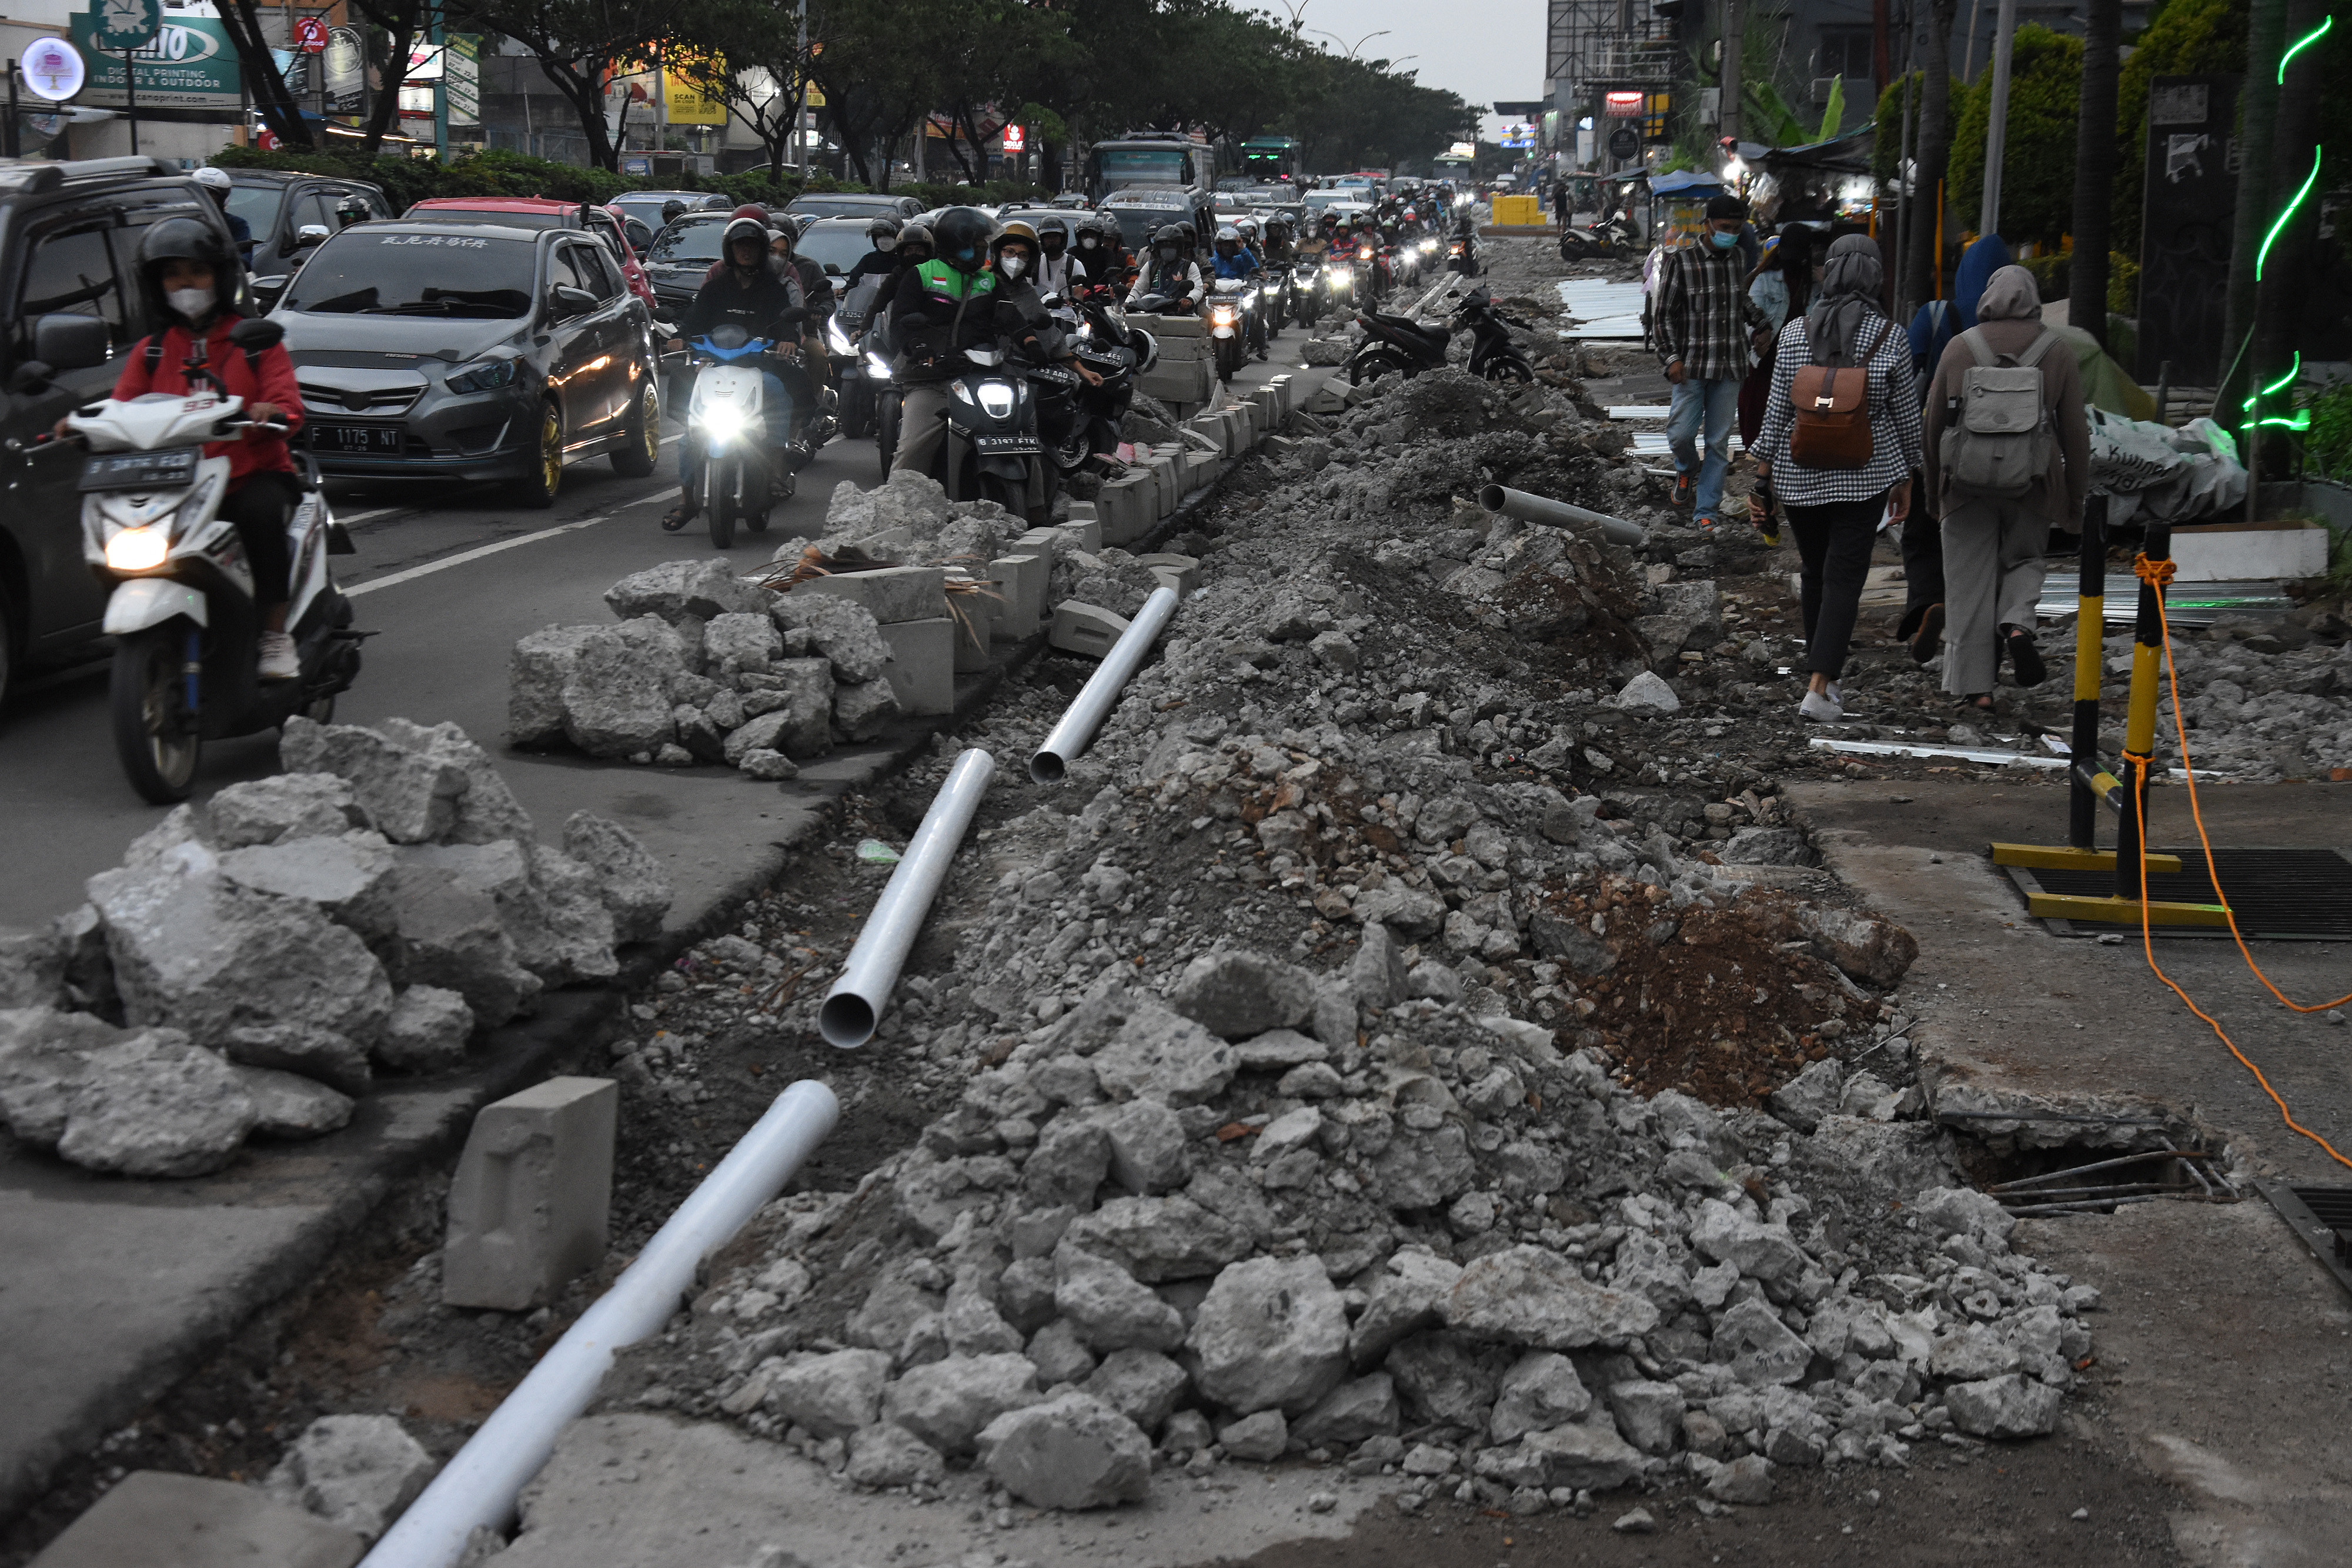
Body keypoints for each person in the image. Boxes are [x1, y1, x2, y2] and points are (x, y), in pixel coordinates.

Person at [85, 219, 303, 677]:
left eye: (197, 272)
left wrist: (270, 411)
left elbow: (288, 404)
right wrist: (77, 423)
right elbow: (120, 408)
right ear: (157, 285)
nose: (185, 283)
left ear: (220, 277)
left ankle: (275, 635)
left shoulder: (255, 342)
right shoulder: (152, 350)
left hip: (250, 475)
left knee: (260, 516)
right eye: (173, 274)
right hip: (174, 480)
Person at [1751, 233, 1924, 723]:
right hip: (1864, 473)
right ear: (1874, 275)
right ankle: (1819, 687)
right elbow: (1906, 415)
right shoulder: (1891, 336)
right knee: (1844, 576)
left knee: (1814, 572)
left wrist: (1761, 479)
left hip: (1798, 470)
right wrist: (1907, 474)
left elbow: (1778, 411)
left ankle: (1825, 681)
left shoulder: (1794, 333)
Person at [1920, 264, 2089, 710]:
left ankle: (1977, 691)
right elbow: (2076, 432)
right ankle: (2017, 625)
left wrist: (1935, 491)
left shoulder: (1960, 348)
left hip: (1965, 483)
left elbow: (1932, 424)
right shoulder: (2058, 349)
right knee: (2026, 558)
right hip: (2033, 481)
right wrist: (2074, 501)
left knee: (1967, 585)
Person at [1900, 233, 2014, 662]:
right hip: (2005, 456)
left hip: (1941, 446)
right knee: (1987, 545)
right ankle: (1987, 643)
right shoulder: (2030, 334)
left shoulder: (1936, 315)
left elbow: (1907, 376)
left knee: (1922, 534)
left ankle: (1928, 600)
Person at [663, 216, 804, 532]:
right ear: (730, 249)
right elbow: (694, 319)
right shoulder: (715, 288)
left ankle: (775, 472)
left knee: (776, 388)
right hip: (716, 366)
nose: (745, 251)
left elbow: (785, 322)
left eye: (752, 245)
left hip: (758, 367)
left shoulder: (773, 290)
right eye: (740, 245)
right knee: (690, 436)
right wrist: (682, 335)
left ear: (760, 251)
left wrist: (788, 340)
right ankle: (687, 499)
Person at [1654, 193, 1769, 529]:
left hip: (1730, 364)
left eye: (1736, 228)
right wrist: (1672, 358)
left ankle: (1706, 512)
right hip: (1691, 366)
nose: (1730, 234)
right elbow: (1663, 317)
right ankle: (1686, 468)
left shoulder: (1738, 258)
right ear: (1707, 225)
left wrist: (1760, 322)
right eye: (1724, 227)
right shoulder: (1682, 262)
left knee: (1718, 444)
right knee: (1680, 435)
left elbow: (1739, 299)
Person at [888, 206, 1002, 479]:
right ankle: (893, 510)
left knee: (1022, 436)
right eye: (978, 245)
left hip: (980, 379)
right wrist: (918, 347)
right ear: (960, 245)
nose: (984, 251)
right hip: (931, 379)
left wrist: (1033, 342)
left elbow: (1013, 319)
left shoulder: (990, 282)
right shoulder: (921, 274)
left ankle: (1036, 512)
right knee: (912, 447)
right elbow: (901, 322)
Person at [1738, 228, 1815, 543]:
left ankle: (1770, 500)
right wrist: (1759, 335)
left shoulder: (1817, 284)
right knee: (1763, 433)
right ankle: (1768, 512)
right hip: (1767, 366)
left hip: (1801, 369)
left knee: (1787, 439)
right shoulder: (1764, 280)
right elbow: (1749, 318)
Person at [1127, 223, 1202, 311]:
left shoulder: (1189, 266)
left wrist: (1189, 299)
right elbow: (1138, 290)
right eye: (1164, 246)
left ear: (1179, 247)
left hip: (1180, 314)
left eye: (1171, 246)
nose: (1167, 249)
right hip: (1151, 314)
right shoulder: (1150, 266)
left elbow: (1197, 288)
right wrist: (1127, 303)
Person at [191, 167, 252, 263]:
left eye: (212, 195)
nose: (205, 199)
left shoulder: (236, 225)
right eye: (201, 193)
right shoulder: (178, 221)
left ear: (223, 198)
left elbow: (244, 261)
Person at [1034, 216, 1088, 297]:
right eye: (1048, 237)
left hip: (1066, 308)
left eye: (1055, 237)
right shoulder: (1035, 264)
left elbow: (1079, 294)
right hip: (1039, 308)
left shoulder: (1074, 265)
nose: (1052, 241)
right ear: (1042, 239)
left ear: (1063, 238)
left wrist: (1073, 301)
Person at [844, 217, 904, 287]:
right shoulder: (868, 260)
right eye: (879, 236)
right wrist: (844, 290)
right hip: (869, 298)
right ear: (875, 240)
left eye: (887, 236)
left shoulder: (902, 261)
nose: (884, 241)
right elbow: (854, 282)